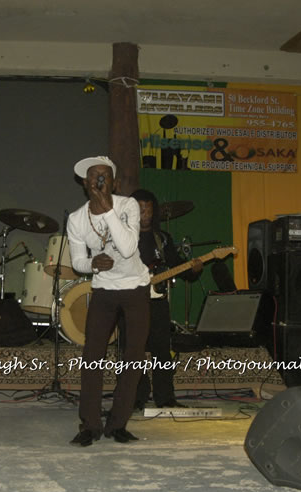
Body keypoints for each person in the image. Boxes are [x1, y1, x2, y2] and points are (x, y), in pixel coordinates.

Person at [66, 156, 150, 446]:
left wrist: (108, 211)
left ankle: (118, 424)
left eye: (104, 175)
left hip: (135, 287)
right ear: (85, 183)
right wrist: (93, 264)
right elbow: (78, 261)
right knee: (92, 356)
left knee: (133, 357)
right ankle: (90, 425)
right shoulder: (76, 219)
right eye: (93, 176)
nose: (98, 180)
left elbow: (127, 248)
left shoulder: (127, 206)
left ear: (113, 182)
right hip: (104, 289)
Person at [129, 189, 203, 410]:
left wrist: (194, 269)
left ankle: (165, 398)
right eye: (141, 209)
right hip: (130, 302)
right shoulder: (124, 236)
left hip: (157, 302)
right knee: (133, 351)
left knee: (162, 351)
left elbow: (177, 265)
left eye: (149, 209)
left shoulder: (162, 239)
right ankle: (135, 397)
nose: (146, 214)